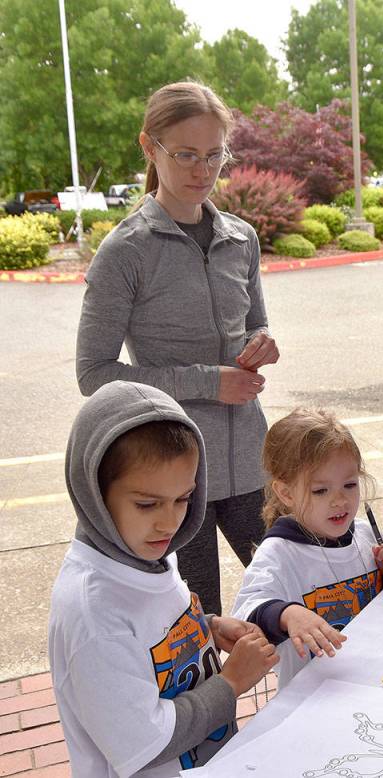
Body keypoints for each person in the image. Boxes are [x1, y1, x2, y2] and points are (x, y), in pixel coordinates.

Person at [76, 81, 277, 616]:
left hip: (250, 462)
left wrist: (261, 345)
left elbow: (254, 323)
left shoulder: (241, 238)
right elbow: (94, 374)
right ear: (150, 148)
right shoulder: (126, 252)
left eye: (214, 155)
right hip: (172, 476)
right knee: (195, 626)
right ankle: (207, 706)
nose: (201, 170)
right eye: (185, 154)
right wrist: (210, 381)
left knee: (293, 599)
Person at [49, 381, 278, 776]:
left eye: (184, 498)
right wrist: (231, 683)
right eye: (147, 503)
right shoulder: (93, 614)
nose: (170, 521)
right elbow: (145, 744)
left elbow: (150, 639)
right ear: (94, 492)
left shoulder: (144, 552)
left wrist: (203, 630)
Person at [232, 408, 383, 688]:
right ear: (286, 493)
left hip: (375, 678)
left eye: (349, 485)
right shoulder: (279, 552)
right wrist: (288, 614)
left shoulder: (363, 533)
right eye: (321, 491)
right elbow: (244, 615)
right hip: (314, 698)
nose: (340, 501)